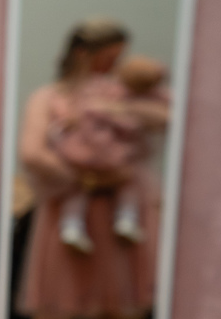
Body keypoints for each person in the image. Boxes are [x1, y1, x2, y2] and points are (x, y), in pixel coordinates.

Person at [4, 19, 165, 319]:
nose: (114, 67)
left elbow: (153, 126)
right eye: (108, 58)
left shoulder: (119, 96)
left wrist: (122, 167)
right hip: (71, 213)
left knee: (112, 313)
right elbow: (32, 153)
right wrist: (86, 179)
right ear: (83, 53)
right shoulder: (50, 97)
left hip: (117, 217)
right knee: (52, 315)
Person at [48, 54, 169, 253]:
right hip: (104, 151)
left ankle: (76, 224)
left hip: (91, 150)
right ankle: (123, 219)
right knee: (122, 185)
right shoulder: (112, 99)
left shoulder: (109, 96)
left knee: (94, 189)